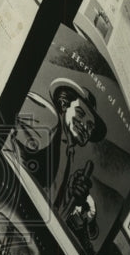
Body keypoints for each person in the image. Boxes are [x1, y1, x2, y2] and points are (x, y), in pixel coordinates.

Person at [9, 76, 107, 215]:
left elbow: (52, 207)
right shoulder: (49, 119)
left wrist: (71, 197)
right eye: (80, 113)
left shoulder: (68, 155)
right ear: (63, 104)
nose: (85, 126)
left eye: (90, 125)